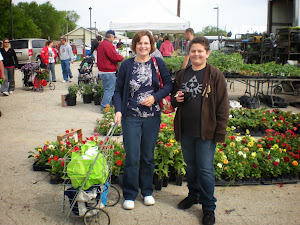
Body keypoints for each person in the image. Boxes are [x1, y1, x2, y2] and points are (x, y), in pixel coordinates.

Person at [171, 36, 229, 225]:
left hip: (206, 131)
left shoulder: (215, 75)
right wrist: (176, 99)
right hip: (186, 129)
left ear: (207, 53)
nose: (196, 54)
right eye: (193, 51)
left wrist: (220, 132)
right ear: (189, 53)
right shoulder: (182, 74)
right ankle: (193, 195)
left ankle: (208, 207)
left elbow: (223, 105)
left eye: (200, 51)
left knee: (205, 170)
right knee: (191, 166)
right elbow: (173, 100)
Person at [113, 31, 172, 210]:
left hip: (152, 116)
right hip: (131, 115)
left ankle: (147, 191)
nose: (143, 46)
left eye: (146, 43)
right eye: (139, 43)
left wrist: (155, 97)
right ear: (134, 45)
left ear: (151, 45)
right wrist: (118, 111)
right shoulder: (126, 65)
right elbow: (117, 90)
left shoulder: (157, 63)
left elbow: (169, 85)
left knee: (147, 156)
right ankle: (130, 194)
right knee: (132, 156)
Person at [97, 30, 123, 111]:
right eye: (114, 37)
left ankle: (109, 106)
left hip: (102, 71)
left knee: (107, 89)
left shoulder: (101, 45)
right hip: (108, 71)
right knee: (110, 90)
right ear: (111, 36)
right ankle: (105, 107)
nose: (114, 39)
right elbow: (113, 57)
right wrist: (121, 57)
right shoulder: (108, 45)